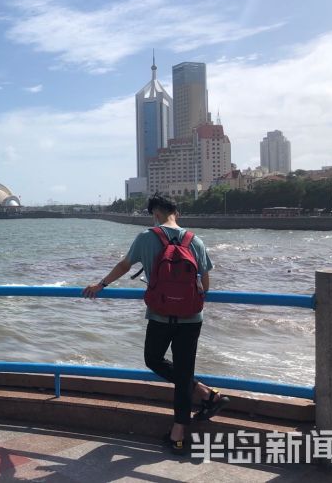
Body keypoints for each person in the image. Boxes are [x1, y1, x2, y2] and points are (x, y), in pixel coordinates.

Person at [83, 194, 229, 454]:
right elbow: (205, 285)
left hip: (160, 314)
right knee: (183, 373)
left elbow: (124, 265)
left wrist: (101, 285)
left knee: (153, 360)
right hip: (190, 318)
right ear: (176, 212)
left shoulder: (146, 238)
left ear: (156, 214)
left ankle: (204, 395)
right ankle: (182, 429)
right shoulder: (195, 240)